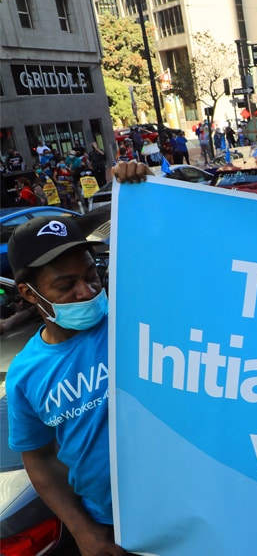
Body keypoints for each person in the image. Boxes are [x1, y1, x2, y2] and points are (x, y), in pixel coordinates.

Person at [5, 160, 149, 556]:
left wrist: (143, 188)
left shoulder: (136, 319)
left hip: (189, 505)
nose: (86, 292)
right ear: (30, 294)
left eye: (91, 276)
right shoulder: (25, 376)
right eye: (65, 285)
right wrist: (83, 530)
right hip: (113, 531)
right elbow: (38, 458)